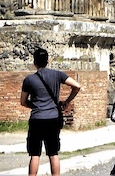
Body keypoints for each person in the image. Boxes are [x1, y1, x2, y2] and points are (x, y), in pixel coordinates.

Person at [20, 47, 82, 176]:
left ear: (34, 62)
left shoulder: (29, 80)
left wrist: (35, 105)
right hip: (53, 118)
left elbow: (23, 101)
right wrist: (67, 101)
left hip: (37, 118)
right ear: (48, 61)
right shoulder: (58, 75)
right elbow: (77, 86)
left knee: (35, 154)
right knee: (53, 153)